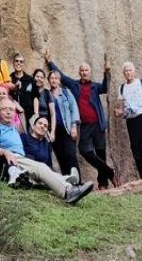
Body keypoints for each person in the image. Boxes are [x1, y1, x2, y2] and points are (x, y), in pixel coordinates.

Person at [0, 99, 96, 204]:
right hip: (11, 159)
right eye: (4, 109)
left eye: (11, 109)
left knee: (42, 170)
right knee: (40, 168)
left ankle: (67, 183)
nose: (8, 112)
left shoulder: (15, 129)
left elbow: (22, 121)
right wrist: (5, 152)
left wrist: (20, 111)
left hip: (21, 160)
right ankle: (68, 191)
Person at [48, 56, 115, 188]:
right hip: (85, 125)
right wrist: (50, 63)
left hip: (98, 124)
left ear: (90, 72)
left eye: (86, 70)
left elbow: (105, 88)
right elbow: (61, 76)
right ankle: (109, 172)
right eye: (82, 70)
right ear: (79, 72)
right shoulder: (74, 85)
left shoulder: (95, 86)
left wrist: (107, 72)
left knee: (101, 153)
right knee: (84, 150)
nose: (84, 72)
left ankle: (103, 184)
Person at [45, 69, 81, 182]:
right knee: (61, 157)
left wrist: (74, 126)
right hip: (54, 131)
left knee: (70, 155)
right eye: (52, 78)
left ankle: (78, 183)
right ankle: (68, 184)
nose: (54, 80)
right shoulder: (47, 95)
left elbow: (74, 109)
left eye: (56, 78)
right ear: (48, 81)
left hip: (67, 129)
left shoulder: (66, 92)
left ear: (59, 80)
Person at [11, 54, 35, 124]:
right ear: (13, 63)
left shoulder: (30, 79)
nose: (18, 63)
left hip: (29, 116)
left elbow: (35, 97)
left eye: (21, 62)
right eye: (16, 61)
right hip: (13, 115)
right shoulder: (9, 78)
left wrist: (36, 113)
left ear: (23, 64)